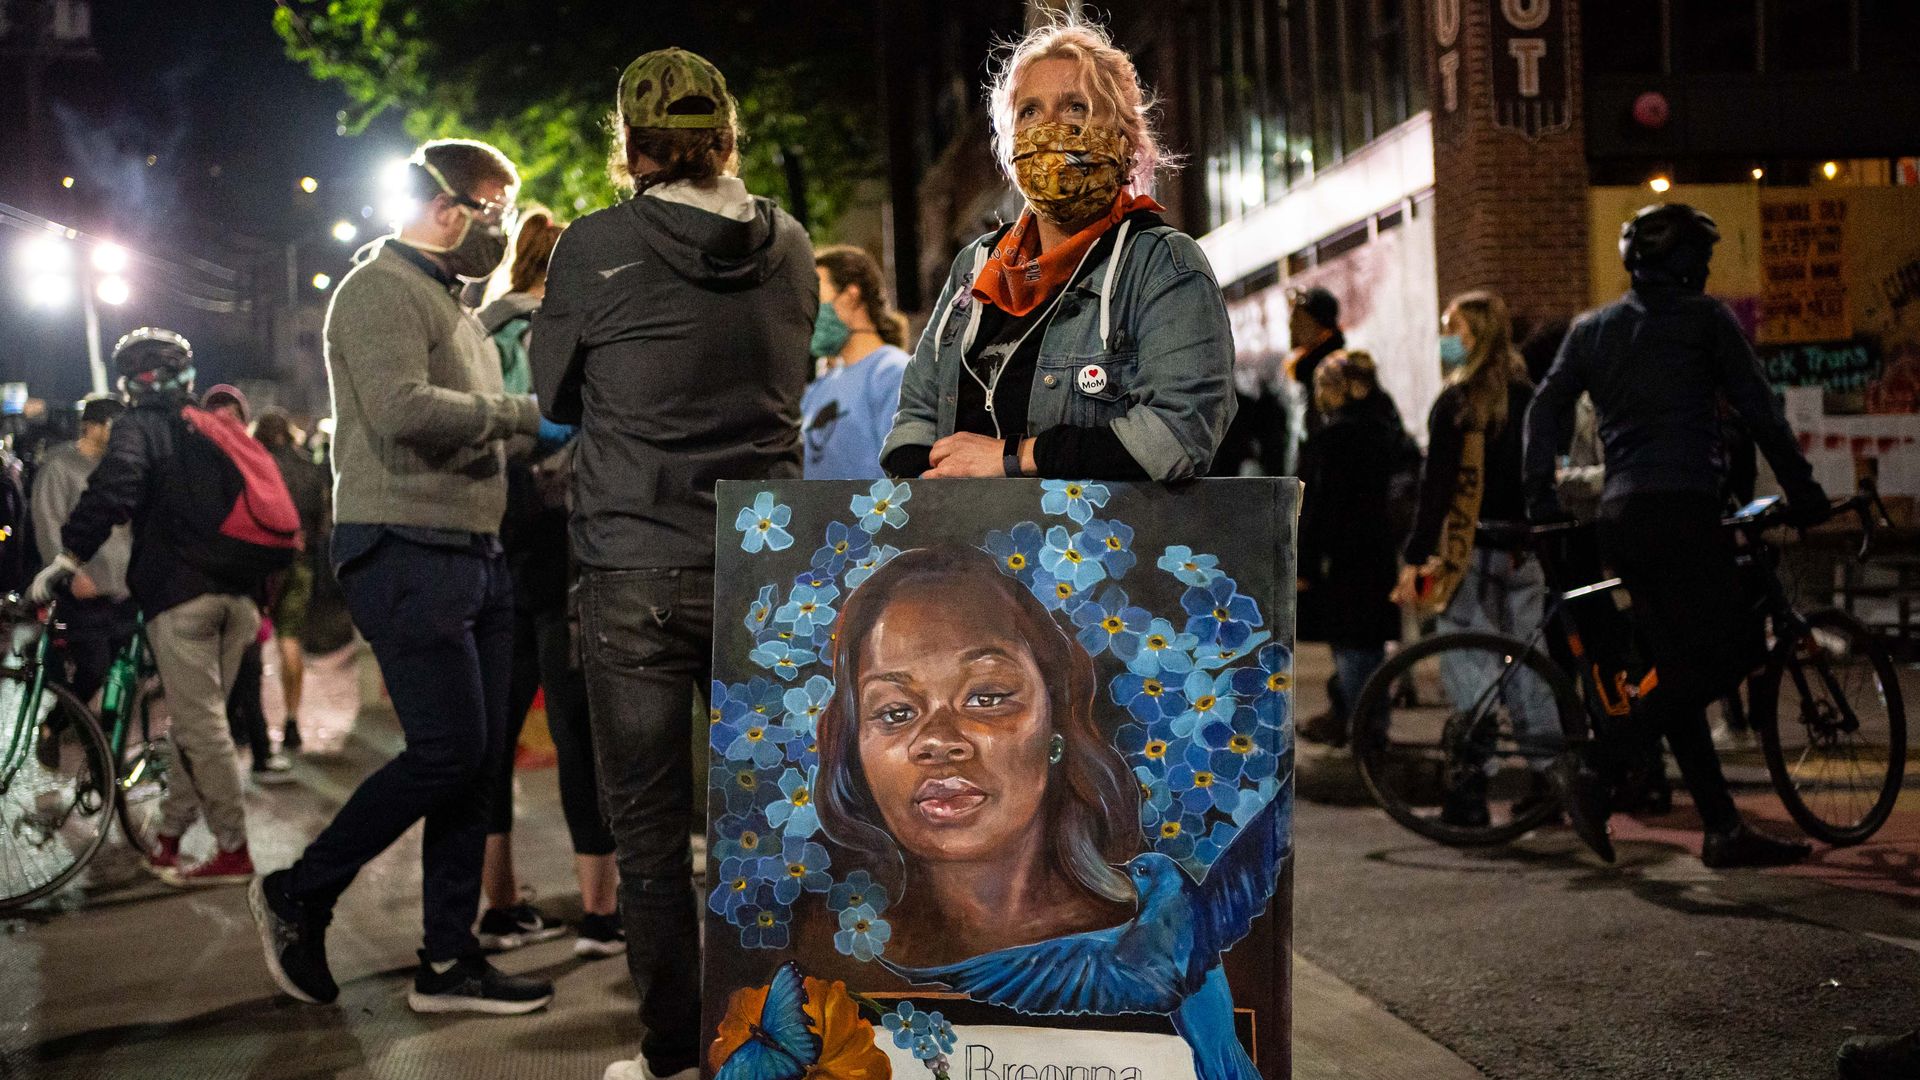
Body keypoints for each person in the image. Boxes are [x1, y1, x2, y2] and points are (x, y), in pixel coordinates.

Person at [529, 48, 814, 1080]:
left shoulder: (592, 246)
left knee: (649, 837)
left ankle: (672, 1058)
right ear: (728, 139)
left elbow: (553, 401)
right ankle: (770, 1049)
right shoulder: (791, 244)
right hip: (764, 567)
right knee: (768, 832)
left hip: (632, 566)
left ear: (631, 148)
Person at [250, 138, 554, 1017]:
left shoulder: (452, 306)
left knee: (477, 759)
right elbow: (401, 409)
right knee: (448, 751)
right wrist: (524, 415)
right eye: (496, 207)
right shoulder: (379, 289)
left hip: (473, 549)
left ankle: (449, 963)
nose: (500, 227)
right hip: (406, 545)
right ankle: (300, 891)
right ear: (449, 205)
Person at [1525, 203, 1829, 869]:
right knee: (1735, 647)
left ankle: (1722, 828)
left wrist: (1542, 501)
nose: (1712, 269)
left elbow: (1543, 411)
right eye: (1705, 256)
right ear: (1687, 261)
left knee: (1675, 667)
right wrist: (1803, 491)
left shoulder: (1593, 329)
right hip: (1684, 512)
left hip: (1622, 519)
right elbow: (1759, 410)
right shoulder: (1705, 321)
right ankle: (1600, 767)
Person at [881, 16, 1235, 482]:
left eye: (1076, 109)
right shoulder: (976, 267)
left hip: (1096, 549)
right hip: (964, 546)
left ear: (1126, 140)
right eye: (1029, 112)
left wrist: (1012, 458)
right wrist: (929, 487)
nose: (1049, 130)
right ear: (1009, 149)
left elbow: (1178, 435)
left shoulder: (1163, 266)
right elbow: (915, 420)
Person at [30, 329, 294, 886]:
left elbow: (113, 490)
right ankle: (170, 839)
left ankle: (233, 850)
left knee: (202, 728)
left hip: (183, 597)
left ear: (129, 383)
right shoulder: (215, 428)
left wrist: (68, 558)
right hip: (239, 599)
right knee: (196, 724)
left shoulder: (142, 427)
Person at [815, 546, 1139, 967]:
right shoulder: (824, 953)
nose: (938, 741)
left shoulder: (1164, 943)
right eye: (896, 712)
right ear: (855, 747)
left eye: (987, 698)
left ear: (1057, 719)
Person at [475, 210, 624, 959]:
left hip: (494, 537)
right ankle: (601, 913)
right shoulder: (562, 330)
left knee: (492, 730)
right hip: (565, 535)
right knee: (577, 724)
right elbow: (565, 422)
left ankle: (498, 906)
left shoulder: (478, 330)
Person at [1389, 292, 1559, 827]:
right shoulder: (1530, 396)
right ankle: (1550, 778)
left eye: (1453, 328)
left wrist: (1418, 550)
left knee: (1471, 667)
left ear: (1476, 335)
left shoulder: (1457, 404)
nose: (1446, 338)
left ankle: (1471, 791)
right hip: (1522, 552)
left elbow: (1436, 489)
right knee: (1529, 662)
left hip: (1471, 553)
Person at [1296, 351, 1411, 745]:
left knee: (1349, 645)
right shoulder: (1386, 432)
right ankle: (1369, 720)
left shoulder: (1332, 438)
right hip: (1377, 549)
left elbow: (1318, 507)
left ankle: (1363, 727)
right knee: (1370, 644)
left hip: (1342, 555)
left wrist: (1305, 564)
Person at [201, 384, 293, 786]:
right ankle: (254, 756)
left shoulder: (193, 461)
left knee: (213, 689)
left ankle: (222, 764)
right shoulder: (255, 464)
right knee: (241, 680)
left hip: (204, 592)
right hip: (238, 595)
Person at [30, 395, 136, 707]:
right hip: (82, 586)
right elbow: (48, 524)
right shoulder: (58, 465)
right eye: (113, 427)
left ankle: (93, 739)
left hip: (121, 588)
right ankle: (56, 724)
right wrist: (69, 574)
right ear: (91, 428)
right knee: (94, 667)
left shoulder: (116, 468)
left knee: (116, 663)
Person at [802, 245, 911, 480]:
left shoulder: (892, 373)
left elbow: (904, 479)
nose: (809, 312)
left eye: (816, 298)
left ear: (852, 296)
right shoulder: (819, 388)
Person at [253, 408, 325, 754]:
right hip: (301, 563)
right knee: (290, 639)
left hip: (262, 566)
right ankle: (292, 721)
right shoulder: (309, 467)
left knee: (249, 643)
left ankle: (249, 723)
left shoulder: (259, 467)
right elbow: (323, 522)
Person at [1287, 285, 1346, 443]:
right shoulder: (1305, 369)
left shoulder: (1333, 373)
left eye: (1299, 319)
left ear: (1320, 324)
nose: (1291, 325)